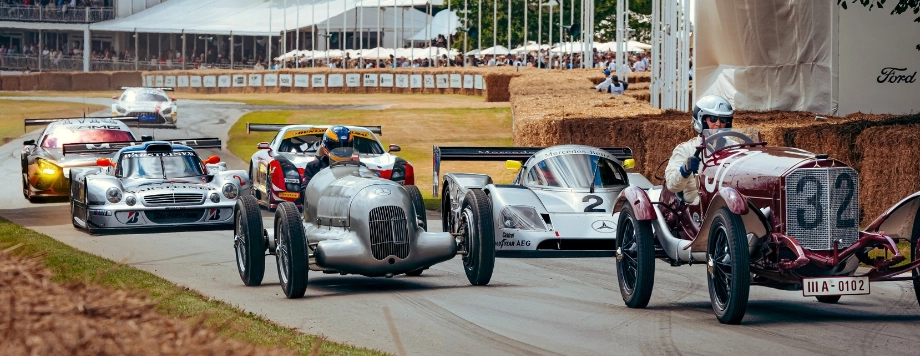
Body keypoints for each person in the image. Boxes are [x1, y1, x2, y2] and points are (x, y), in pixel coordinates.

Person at [664, 95, 734, 205]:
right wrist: (684, 170)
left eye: (723, 119)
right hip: (698, 206)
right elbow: (672, 185)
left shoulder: (735, 147)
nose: (718, 123)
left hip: (730, 201)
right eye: (713, 119)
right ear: (702, 120)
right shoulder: (685, 149)